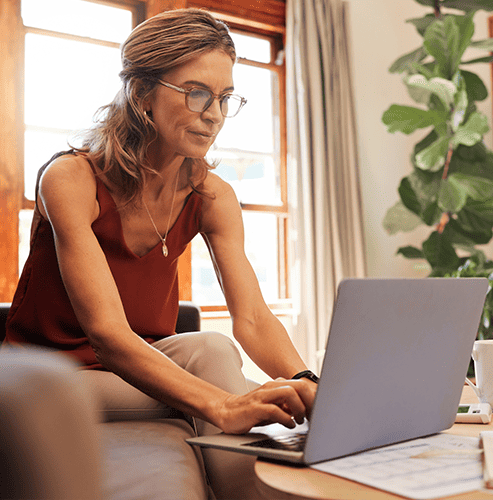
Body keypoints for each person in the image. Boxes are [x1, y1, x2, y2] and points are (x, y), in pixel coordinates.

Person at [4, 8, 317, 500]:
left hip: (148, 363)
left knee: (212, 348)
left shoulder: (212, 196)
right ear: (141, 93)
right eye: (196, 92)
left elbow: (253, 318)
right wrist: (224, 405)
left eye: (225, 97)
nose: (213, 113)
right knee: (214, 376)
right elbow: (106, 336)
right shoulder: (71, 179)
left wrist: (307, 382)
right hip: (54, 377)